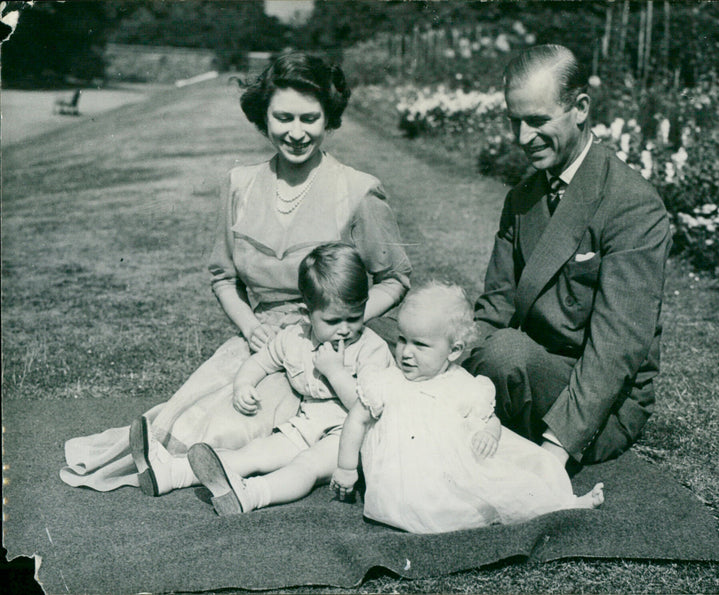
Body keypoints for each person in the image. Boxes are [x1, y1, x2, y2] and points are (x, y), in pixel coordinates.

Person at [60, 51, 411, 492]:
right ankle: (163, 461)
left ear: (329, 119)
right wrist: (250, 328)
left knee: (236, 426)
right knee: (199, 411)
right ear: (263, 117)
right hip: (261, 341)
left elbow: (396, 278)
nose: (297, 133)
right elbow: (224, 277)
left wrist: (345, 322)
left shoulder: (359, 190)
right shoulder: (240, 185)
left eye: (310, 118)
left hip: (333, 353)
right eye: (283, 117)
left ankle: (189, 470)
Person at [463, 45, 672, 472]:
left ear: (580, 108)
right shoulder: (523, 198)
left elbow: (616, 350)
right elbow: (495, 308)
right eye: (514, 121)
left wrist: (554, 453)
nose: (522, 138)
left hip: (601, 402)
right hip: (530, 369)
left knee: (504, 355)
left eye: (537, 121)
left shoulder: (632, 203)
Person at [329, 282, 603, 534]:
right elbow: (357, 419)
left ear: (453, 350)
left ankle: (562, 503)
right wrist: (345, 466)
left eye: (420, 345)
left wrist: (490, 433)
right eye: (402, 339)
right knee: (431, 505)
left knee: (509, 481)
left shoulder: (463, 383)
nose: (406, 352)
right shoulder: (388, 380)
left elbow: (489, 418)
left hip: (453, 469)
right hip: (404, 476)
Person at [172, 243, 395, 513]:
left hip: (349, 439)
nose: (345, 330)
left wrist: (335, 371)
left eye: (355, 317)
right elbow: (261, 361)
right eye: (333, 321)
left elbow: (367, 409)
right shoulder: (296, 337)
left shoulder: (371, 348)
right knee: (258, 452)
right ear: (308, 312)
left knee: (307, 465)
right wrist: (244, 384)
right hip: (306, 426)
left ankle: (251, 494)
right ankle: (173, 474)